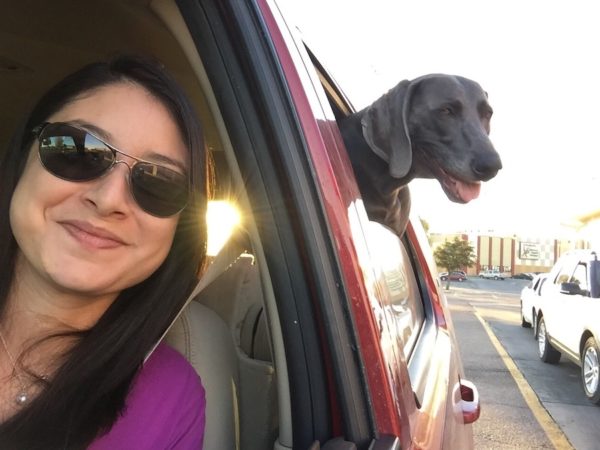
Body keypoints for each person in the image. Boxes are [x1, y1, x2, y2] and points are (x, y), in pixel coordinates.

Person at [0, 55, 209, 449]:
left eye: (158, 182)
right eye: (78, 150)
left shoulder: (173, 400)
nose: (109, 198)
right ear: (22, 157)